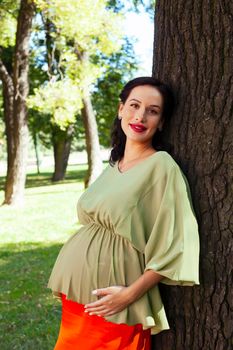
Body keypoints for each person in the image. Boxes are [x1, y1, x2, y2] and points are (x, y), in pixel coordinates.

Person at [47, 76, 200, 350]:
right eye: (134, 105)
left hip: (115, 302)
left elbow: (175, 243)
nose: (140, 116)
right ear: (121, 110)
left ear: (161, 122)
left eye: (152, 111)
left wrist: (129, 295)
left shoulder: (161, 166)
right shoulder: (114, 164)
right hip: (78, 298)